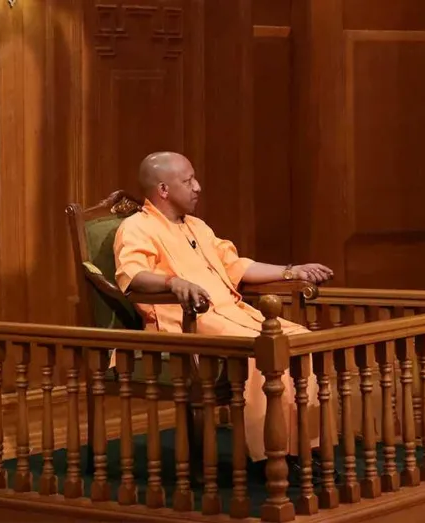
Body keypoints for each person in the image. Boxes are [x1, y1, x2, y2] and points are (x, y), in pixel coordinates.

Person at [113, 151, 335, 465]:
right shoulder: (137, 227)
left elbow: (236, 266)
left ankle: (308, 448)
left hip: (232, 314)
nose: (198, 187)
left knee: (301, 341)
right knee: (264, 349)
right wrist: (173, 283)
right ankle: (274, 455)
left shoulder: (197, 227)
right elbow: (132, 275)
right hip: (187, 324)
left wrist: (291, 271)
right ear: (163, 189)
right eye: (188, 181)